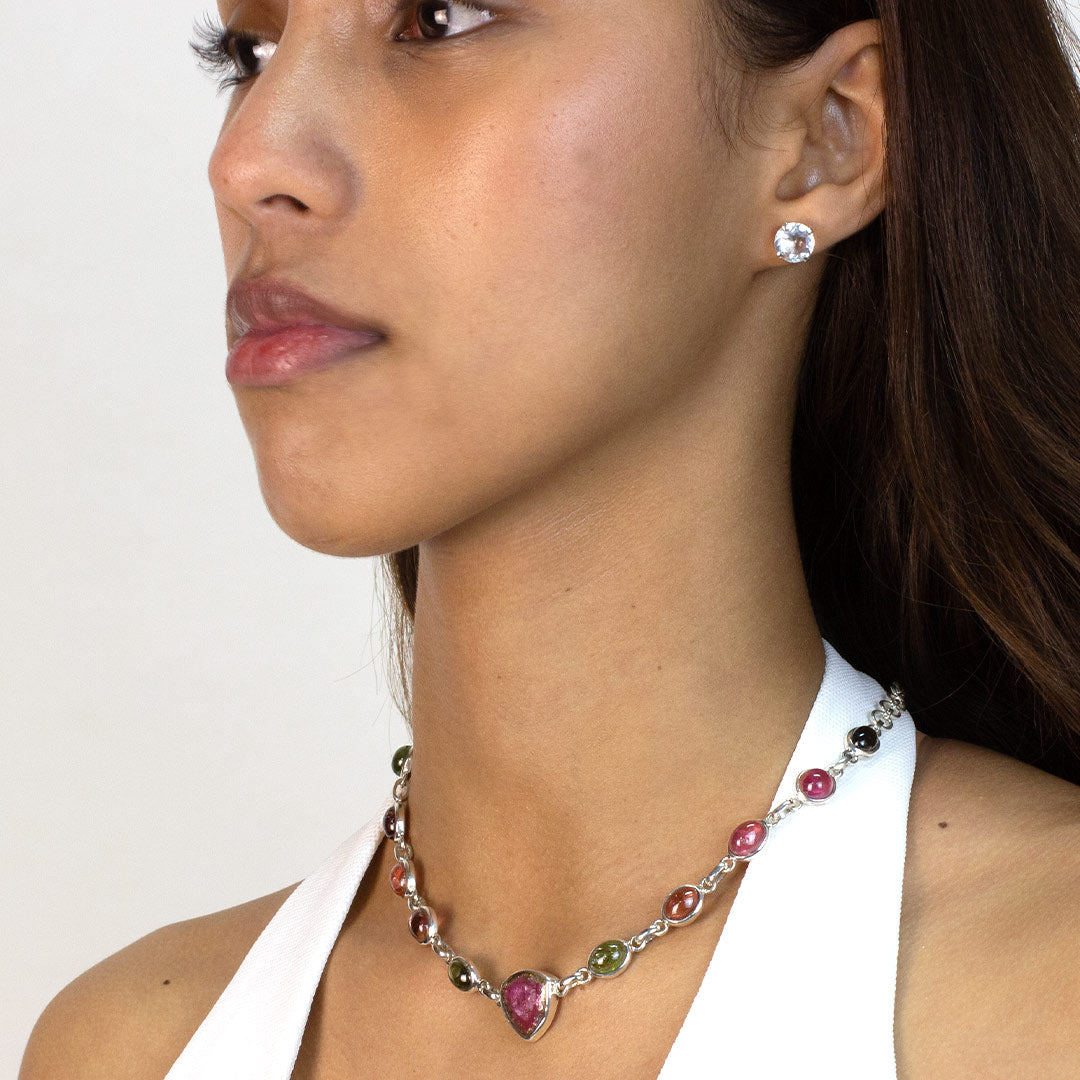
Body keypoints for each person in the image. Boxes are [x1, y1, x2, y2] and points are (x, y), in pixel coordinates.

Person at [19, 0, 1080, 1076]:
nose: (247, 160)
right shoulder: (125, 1049)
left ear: (825, 139)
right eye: (249, 53)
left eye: (438, 19)